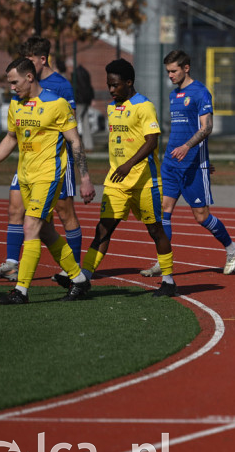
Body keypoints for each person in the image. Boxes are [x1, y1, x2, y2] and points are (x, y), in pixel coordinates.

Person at [0, 57, 95, 304]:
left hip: (48, 176)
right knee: (46, 232)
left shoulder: (57, 103)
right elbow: (11, 138)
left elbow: (75, 141)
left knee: (30, 226)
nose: (12, 87)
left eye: (15, 82)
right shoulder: (16, 104)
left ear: (30, 77)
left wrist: (84, 177)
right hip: (26, 176)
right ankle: (79, 280)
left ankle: (21, 291)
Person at [75, 59, 178, 297]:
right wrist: (119, 168)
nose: (111, 90)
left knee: (155, 231)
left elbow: (152, 141)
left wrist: (128, 165)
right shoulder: (112, 108)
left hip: (145, 182)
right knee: (103, 228)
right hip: (116, 182)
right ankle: (84, 280)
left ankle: (169, 281)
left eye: (115, 85)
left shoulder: (144, 107)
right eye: (109, 85)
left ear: (128, 83)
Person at [139, 50, 235, 277]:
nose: (170, 75)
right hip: (171, 164)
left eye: (174, 71)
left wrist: (189, 149)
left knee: (201, 216)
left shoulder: (201, 93)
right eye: (167, 72)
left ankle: (231, 247)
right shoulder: (173, 95)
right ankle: (163, 262)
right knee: (163, 212)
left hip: (193, 165)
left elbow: (207, 128)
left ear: (186, 68)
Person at [73, 63, 95, 151]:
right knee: (86, 123)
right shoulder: (86, 73)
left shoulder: (75, 74)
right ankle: (89, 146)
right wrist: (91, 98)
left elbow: (76, 88)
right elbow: (90, 87)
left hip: (79, 101)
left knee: (74, 123)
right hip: (86, 100)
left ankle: (75, 146)